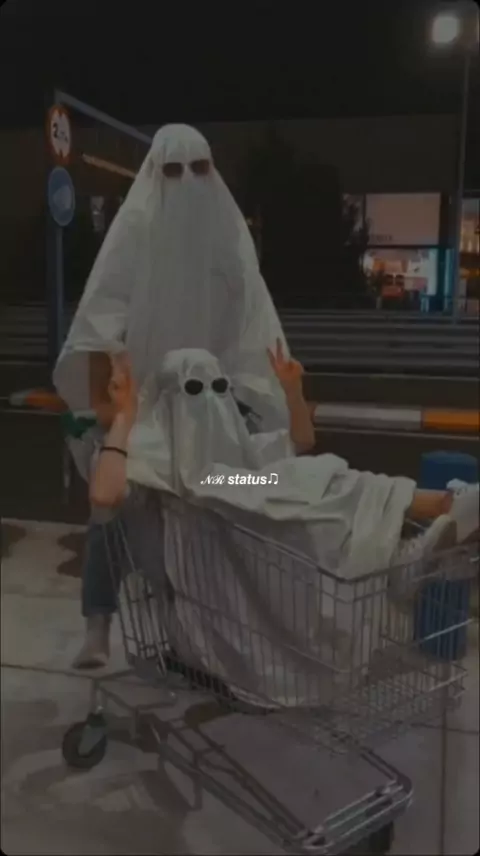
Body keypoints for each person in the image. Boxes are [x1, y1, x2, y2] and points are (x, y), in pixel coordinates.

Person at [87, 347, 478, 708]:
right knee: (296, 497)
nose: (208, 398)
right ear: (165, 399)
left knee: (315, 476)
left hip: (238, 493)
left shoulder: (232, 449)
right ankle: (425, 527)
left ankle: (435, 517)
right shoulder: (150, 452)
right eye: (193, 388)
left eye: (219, 386)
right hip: (209, 532)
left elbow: (301, 440)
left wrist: (292, 390)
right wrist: (125, 416)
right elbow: (104, 495)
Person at [54, 124, 298, 669]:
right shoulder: (125, 272)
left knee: (269, 493)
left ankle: (412, 507)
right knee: (113, 514)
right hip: (152, 447)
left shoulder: (232, 268)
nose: (186, 184)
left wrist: (281, 411)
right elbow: (100, 389)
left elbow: (280, 416)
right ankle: (100, 620)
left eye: (199, 169)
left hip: (211, 453)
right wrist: (127, 422)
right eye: (172, 171)